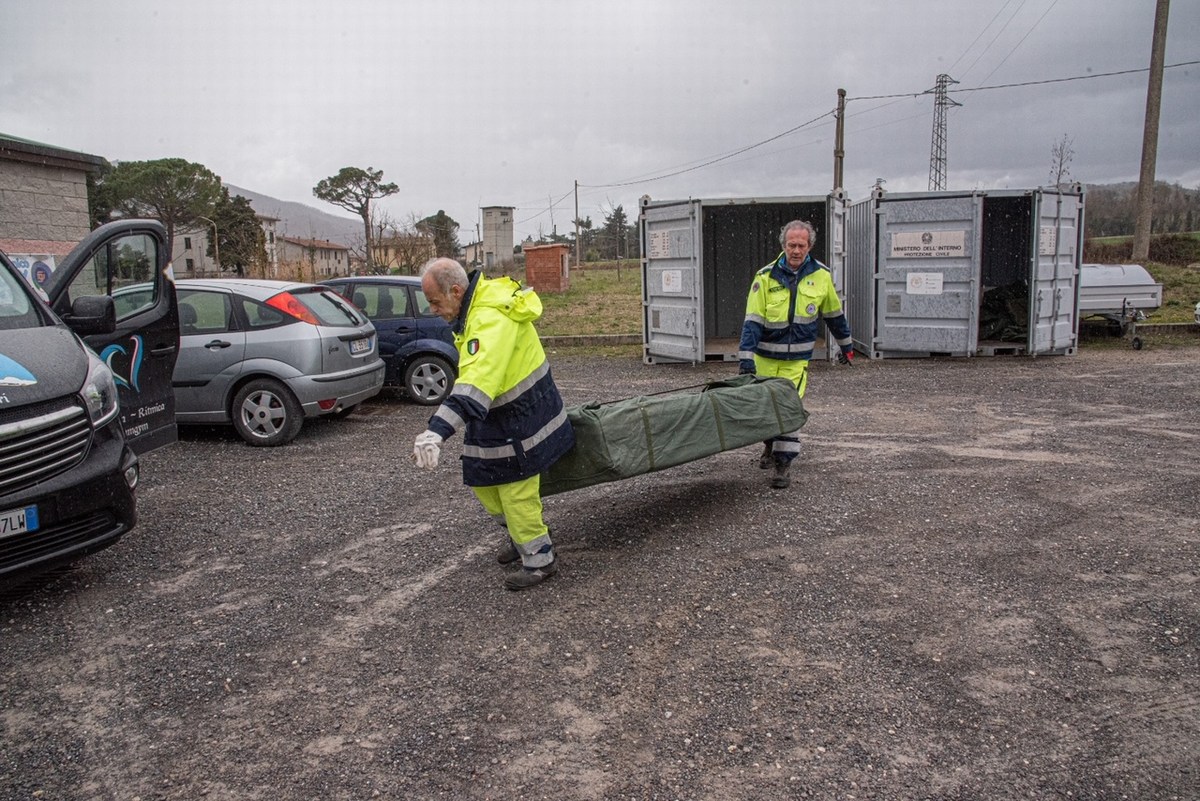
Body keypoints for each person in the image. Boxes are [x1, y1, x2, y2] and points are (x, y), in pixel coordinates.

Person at [412, 258, 575, 590]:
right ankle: (521, 536)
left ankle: (539, 558)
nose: (433, 310)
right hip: (501, 416)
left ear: (456, 291)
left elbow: (475, 385)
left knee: (515, 490)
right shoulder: (473, 311)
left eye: (435, 302)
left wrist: (436, 431)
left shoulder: (488, 319)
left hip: (524, 419)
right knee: (483, 481)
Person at [738, 220, 854, 489]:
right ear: (784, 246)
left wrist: (846, 347)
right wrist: (746, 358)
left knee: (789, 410)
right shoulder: (764, 277)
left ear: (810, 246)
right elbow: (752, 321)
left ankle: (783, 463)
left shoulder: (822, 276)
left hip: (797, 362)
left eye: (802, 245)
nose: (797, 250)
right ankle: (769, 446)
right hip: (766, 359)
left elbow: (834, 316)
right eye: (792, 245)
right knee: (766, 410)